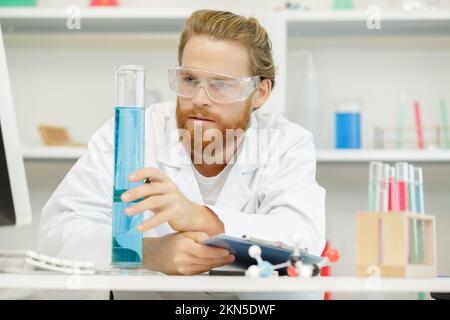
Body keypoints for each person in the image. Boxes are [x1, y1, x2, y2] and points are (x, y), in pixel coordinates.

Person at [39, 9, 325, 288]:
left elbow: (304, 240)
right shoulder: (133, 132)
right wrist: (148, 253)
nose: (200, 98)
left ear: (259, 93)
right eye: (190, 80)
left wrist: (203, 217)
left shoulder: (286, 143)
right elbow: (56, 235)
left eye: (221, 85)